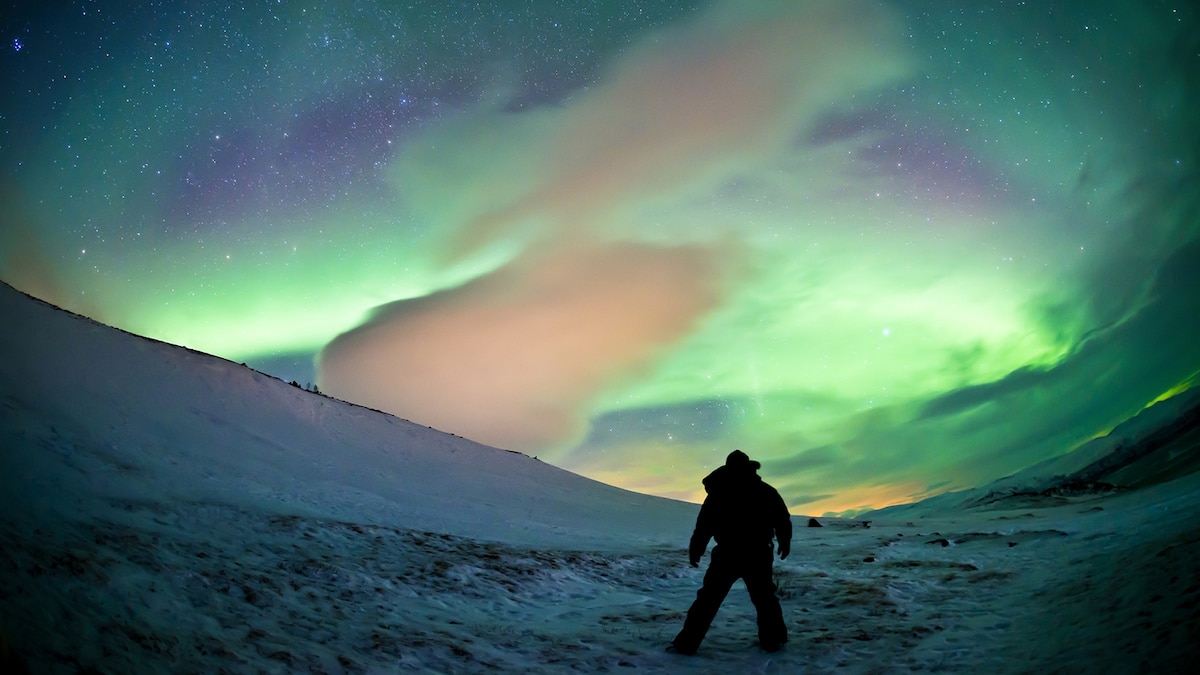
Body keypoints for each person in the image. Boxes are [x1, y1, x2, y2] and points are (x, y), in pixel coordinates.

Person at [670, 449, 792, 655]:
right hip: (752, 553)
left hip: (733, 553)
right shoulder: (763, 491)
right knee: (762, 599)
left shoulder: (720, 492)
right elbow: (782, 519)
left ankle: (687, 644)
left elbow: (704, 525)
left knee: (710, 599)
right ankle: (773, 640)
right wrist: (784, 541)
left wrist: (697, 548)